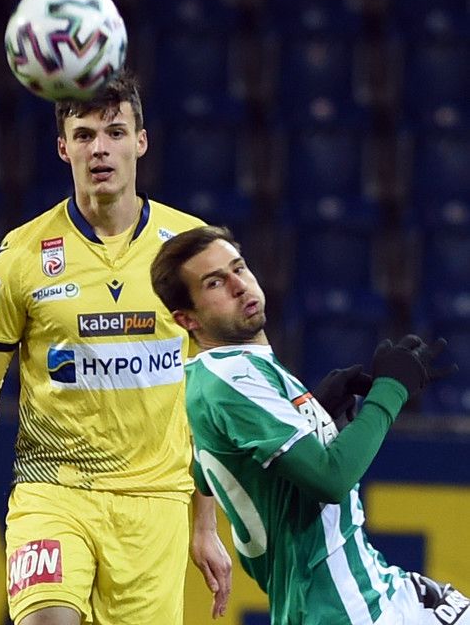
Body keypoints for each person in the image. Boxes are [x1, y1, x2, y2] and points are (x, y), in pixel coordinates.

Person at [0, 70, 232, 625]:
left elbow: (208, 401)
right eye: (84, 135)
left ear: (141, 142)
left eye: (115, 132)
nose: (100, 148)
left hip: (155, 505)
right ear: (63, 148)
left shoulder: (191, 252)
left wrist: (204, 524)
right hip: (53, 492)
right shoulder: (20, 259)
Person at [150, 224, 469, 625]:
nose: (238, 286)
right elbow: (330, 479)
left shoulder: (216, 373)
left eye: (239, 268)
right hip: (342, 609)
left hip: (374, 587)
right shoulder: (231, 378)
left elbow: (226, 468)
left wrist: (314, 409)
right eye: (214, 283)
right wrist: (391, 390)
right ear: (186, 319)